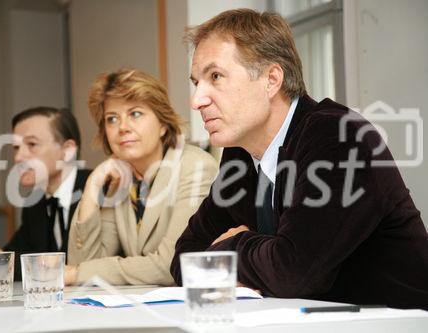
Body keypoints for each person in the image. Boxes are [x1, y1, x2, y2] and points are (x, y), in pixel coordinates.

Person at [170, 9, 428, 309]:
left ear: (271, 79)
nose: (197, 100)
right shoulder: (240, 154)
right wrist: (253, 256)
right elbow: (185, 258)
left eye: (216, 77)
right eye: (196, 82)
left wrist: (234, 244)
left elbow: (293, 273)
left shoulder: (339, 138)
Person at [64, 68, 218, 286]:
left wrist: (78, 274)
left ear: (163, 124)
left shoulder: (196, 167)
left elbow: (170, 265)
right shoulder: (118, 180)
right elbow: (84, 266)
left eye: (135, 114)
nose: (123, 127)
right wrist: (92, 187)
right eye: (112, 119)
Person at [0, 107, 90, 278]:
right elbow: (19, 255)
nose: (18, 157)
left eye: (32, 144)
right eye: (16, 147)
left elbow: (91, 264)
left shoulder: (101, 190)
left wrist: (8, 261)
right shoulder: (34, 202)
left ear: (68, 151)